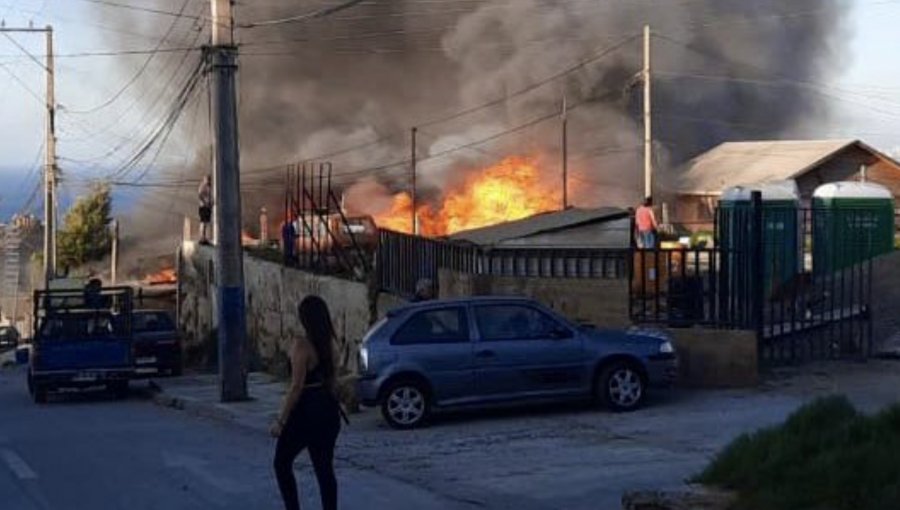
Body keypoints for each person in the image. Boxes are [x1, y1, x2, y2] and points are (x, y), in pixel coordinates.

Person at [272, 296, 343, 510]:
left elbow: (296, 386)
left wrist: (281, 420)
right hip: (328, 411)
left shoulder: (301, 345)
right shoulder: (332, 344)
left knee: (281, 463)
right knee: (324, 469)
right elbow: (333, 380)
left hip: (306, 411)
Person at [198, 175, 212, 245]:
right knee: (203, 222)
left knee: (206, 222)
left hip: (208, 207)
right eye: (208, 179)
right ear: (204, 180)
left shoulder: (210, 187)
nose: (209, 181)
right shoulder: (202, 186)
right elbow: (200, 195)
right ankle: (202, 237)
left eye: (209, 180)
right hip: (203, 206)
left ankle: (204, 237)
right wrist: (205, 202)